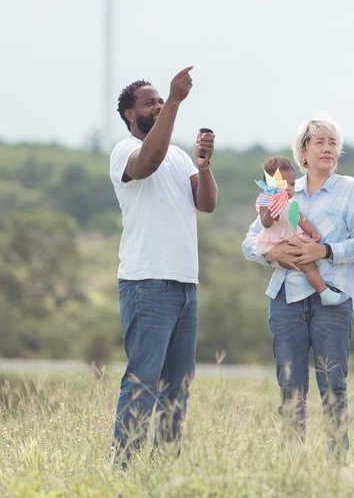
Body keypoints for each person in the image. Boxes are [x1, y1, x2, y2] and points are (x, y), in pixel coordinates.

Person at [242, 116, 354, 453]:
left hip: (333, 297)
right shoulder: (284, 190)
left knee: (333, 385)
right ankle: (292, 462)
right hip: (286, 297)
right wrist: (274, 256)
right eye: (320, 142)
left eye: (333, 143)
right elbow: (250, 241)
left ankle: (336, 467)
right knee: (290, 386)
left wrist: (326, 250)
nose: (329, 149)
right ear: (303, 152)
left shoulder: (350, 189)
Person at [109, 66, 218, 463]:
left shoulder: (178, 155)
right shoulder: (125, 151)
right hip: (146, 284)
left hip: (185, 284)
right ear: (129, 115)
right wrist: (174, 100)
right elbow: (148, 162)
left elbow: (206, 203)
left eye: (159, 100)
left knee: (178, 386)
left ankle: (165, 468)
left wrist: (204, 166)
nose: (156, 105)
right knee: (143, 382)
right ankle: (126, 467)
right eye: (149, 102)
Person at [253, 156, 348, 306]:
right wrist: (273, 208)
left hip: (291, 242)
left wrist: (313, 232)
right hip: (275, 244)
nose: (289, 188)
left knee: (311, 264)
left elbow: (300, 219)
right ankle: (325, 293)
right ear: (268, 184)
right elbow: (265, 223)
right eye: (283, 184)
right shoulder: (266, 200)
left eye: (292, 184)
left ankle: (323, 293)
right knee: (309, 265)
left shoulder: (291, 204)